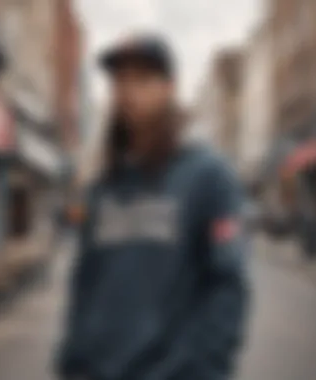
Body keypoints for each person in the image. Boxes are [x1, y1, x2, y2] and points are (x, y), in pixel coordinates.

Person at [55, 34, 250, 380]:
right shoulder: (103, 189)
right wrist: (73, 362)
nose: (128, 91)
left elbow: (227, 285)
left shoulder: (208, 176)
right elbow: (85, 284)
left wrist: (205, 370)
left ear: (169, 88)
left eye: (142, 79)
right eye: (120, 80)